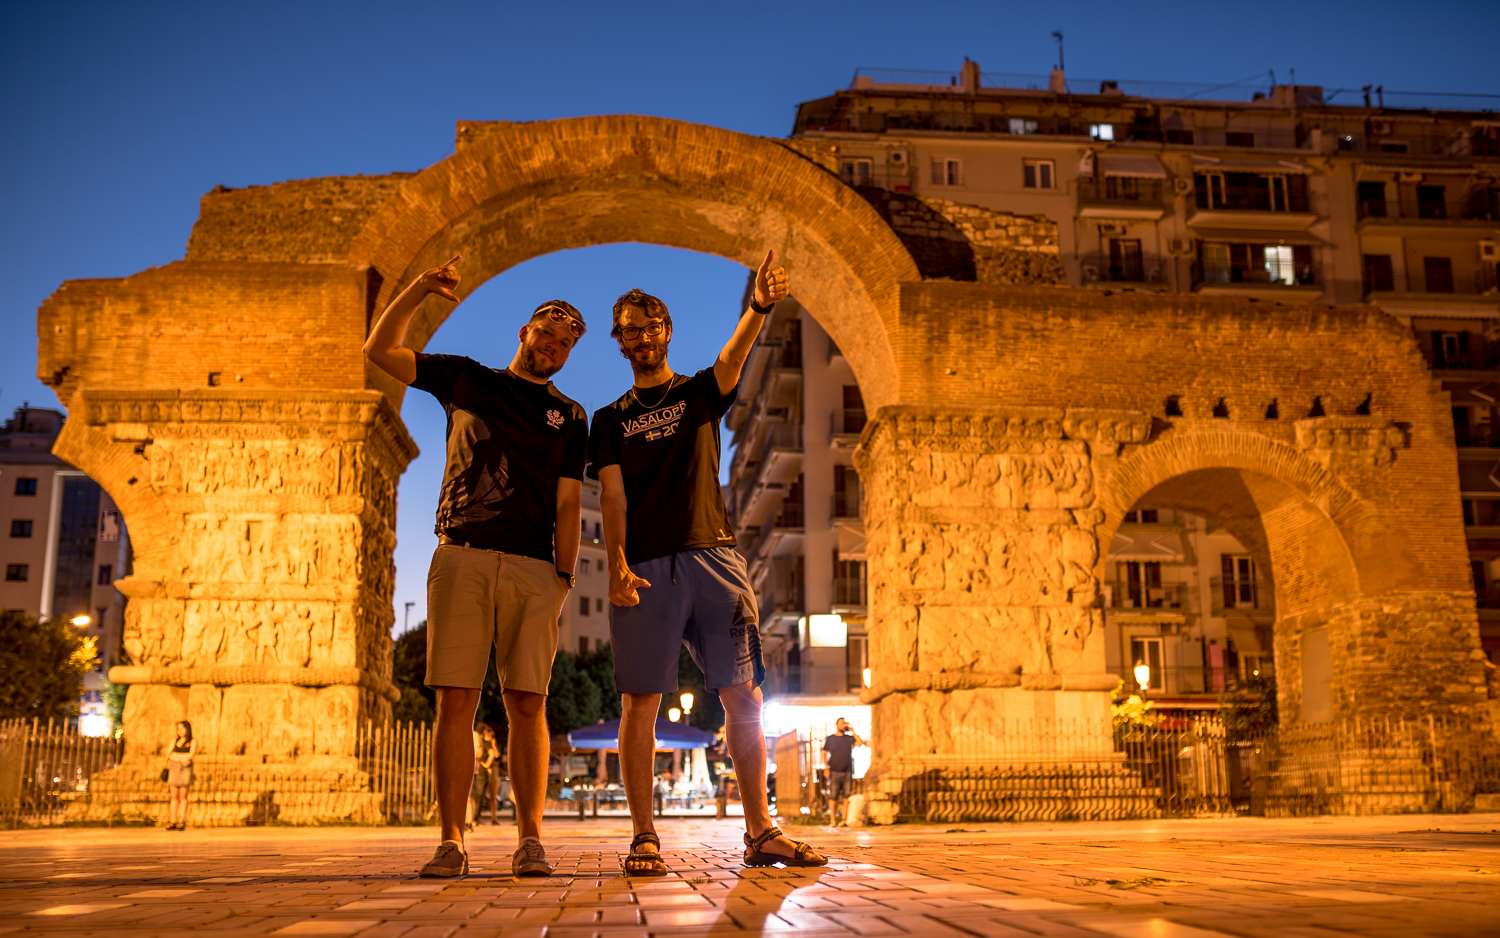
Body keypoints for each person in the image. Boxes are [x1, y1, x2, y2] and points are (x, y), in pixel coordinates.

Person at [589, 250, 827, 874]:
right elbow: (611, 495)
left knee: (742, 693)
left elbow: (732, 359)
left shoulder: (698, 393)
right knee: (641, 700)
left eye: (650, 326)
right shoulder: (607, 421)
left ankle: (761, 833)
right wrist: (614, 563)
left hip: (713, 557)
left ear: (666, 330)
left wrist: (758, 307)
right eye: (629, 330)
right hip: (645, 566)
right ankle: (644, 836)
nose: (640, 337)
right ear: (618, 342)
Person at [363, 254, 588, 878]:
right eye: (546, 332)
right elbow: (380, 350)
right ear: (524, 332)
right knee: (456, 699)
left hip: (534, 569)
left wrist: (564, 577)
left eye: (566, 343)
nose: (553, 346)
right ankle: (451, 840)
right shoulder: (465, 379)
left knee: (527, 703)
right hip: (459, 554)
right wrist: (419, 289)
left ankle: (530, 840)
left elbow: (570, 501)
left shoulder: (572, 417)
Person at [822, 717, 864, 826]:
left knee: (846, 797)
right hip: (835, 771)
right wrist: (826, 768)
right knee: (833, 796)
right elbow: (824, 753)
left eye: (845, 723)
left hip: (848, 771)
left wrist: (853, 731)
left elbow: (860, 743)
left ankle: (844, 820)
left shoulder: (848, 738)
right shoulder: (830, 739)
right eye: (842, 723)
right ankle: (833, 820)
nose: (844, 725)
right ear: (837, 725)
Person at [163, 720, 197, 830]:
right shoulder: (175, 740)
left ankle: (181, 821)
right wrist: (182, 757)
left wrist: (176, 756)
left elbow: (191, 755)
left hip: (186, 770)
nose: (180, 731)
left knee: (183, 796)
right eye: (178, 729)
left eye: (182, 728)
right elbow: (168, 755)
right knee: (174, 796)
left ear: (187, 729)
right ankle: (173, 820)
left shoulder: (192, 741)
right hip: (174, 769)